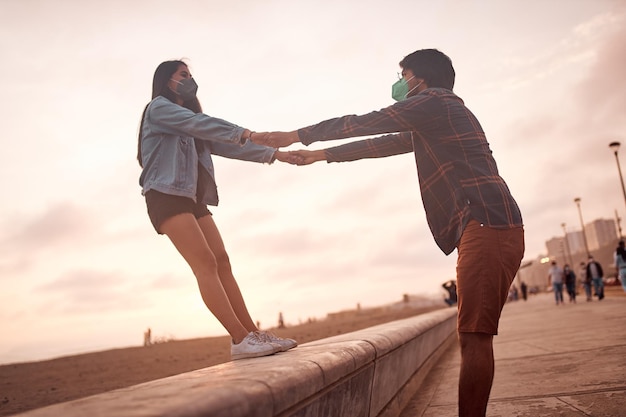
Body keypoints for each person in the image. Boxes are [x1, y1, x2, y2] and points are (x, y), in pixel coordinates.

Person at [254, 49, 524, 417]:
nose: (399, 82)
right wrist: (322, 156)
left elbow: (367, 122)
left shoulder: (433, 103)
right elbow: (380, 144)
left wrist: (297, 135)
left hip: (485, 222)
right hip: (492, 222)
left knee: (475, 337)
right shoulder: (436, 117)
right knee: (475, 334)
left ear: (420, 78)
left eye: (402, 74)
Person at [137, 60, 297, 360]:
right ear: (166, 80)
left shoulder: (190, 119)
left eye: (191, 75)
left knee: (222, 260)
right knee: (205, 262)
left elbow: (228, 144)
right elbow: (203, 124)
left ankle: (252, 334)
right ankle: (239, 339)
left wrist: (276, 154)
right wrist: (248, 132)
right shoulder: (158, 109)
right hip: (164, 194)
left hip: (190, 196)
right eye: (183, 75)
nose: (189, 80)